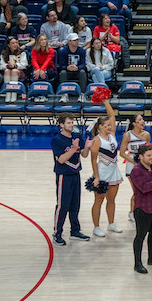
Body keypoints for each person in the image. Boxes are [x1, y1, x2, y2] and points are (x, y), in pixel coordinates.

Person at [51, 113, 92, 246]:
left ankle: (75, 231)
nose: (72, 125)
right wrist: (73, 148)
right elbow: (61, 160)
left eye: (72, 122)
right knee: (63, 205)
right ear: (61, 125)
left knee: (75, 205)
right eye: (68, 123)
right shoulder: (57, 140)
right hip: (64, 175)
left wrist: (87, 147)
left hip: (76, 174)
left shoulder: (77, 136)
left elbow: (84, 155)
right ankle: (57, 233)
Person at [126, 144, 152, 274]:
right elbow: (144, 188)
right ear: (141, 156)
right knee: (140, 236)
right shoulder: (136, 171)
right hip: (143, 209)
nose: (151, 158)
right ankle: (137, 263)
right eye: (149, 156)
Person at [88, 98, 123, 239]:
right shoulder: (97, 140)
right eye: (107, 126)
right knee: (98, 200)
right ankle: (96, 227)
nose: (109, 127)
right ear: (100, 127)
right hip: (102, 173)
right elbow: (93, 160)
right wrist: (96, 177)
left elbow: (112, 115)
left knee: (112, 200)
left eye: (110, 125)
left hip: (114, 172)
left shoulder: (112, 135)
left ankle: (111, 223)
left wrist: (105, 101)